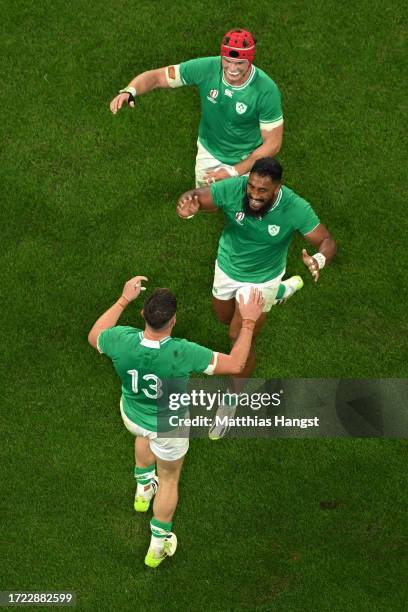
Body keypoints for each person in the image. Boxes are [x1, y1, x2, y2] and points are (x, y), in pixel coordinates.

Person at [88, 276, 264, 567]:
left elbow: (95, 336)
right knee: (169, 478)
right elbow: (236, 364)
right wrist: (248, 322)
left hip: (132, 415)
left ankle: (143, 488)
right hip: (168, 427)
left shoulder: (120, 339)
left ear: (143, 314)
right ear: (172, 321)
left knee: (143, 435)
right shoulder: (183, 352)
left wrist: (122, 299)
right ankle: (158, 544)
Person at [176, 157, 337, 438]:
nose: (253, 194)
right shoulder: (236, 188)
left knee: (239, 338)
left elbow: (326, 240)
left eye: (262, 191)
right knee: (223, 317)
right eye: (251, 187)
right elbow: (200, 197)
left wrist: (320, 259)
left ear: (276, 188)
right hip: (227, 267)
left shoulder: (295, 207)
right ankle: (282, 293)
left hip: (262, 280)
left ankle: (231, 399)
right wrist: (189, 202)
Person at [110, 29, 283, 187]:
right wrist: (130, 90)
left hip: (247, 158)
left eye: (239, 63)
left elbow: (273, 143)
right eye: (227, 61)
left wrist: (234, 171)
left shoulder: (266, 90)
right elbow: (157, 77)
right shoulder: (206, 68)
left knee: (244, 209)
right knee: (207, 201)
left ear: (250, 60)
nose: (232, 69)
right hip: (209, 152)